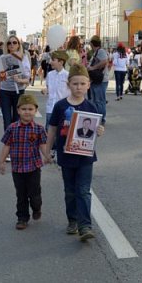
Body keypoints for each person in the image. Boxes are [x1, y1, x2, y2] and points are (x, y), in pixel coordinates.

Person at [46, 64, 105, 241]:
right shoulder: (60, 106)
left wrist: (100, 131)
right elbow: (52, 130)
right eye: (75, 84)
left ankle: (85, 225)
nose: (78, 87)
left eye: (82, 84)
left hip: (86, 156)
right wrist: (47, 151)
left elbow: (96, 129)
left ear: (88, 85)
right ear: (68, 85)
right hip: (66, 155)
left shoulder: (92, 107)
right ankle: (72, 220)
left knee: (84, 190)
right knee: (70, 190)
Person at [0, 94, 50, 230]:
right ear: (18, 110)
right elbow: (7, 146)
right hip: (17, 168)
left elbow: (43, 145)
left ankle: (37, 208)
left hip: (33, 167)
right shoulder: (12, 128)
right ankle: (22, 218)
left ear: (35, 110)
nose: (27, 112)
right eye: (24, 109)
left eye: (30, 109)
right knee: (21, 195)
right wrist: (2, 162)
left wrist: (47, 156)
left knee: (34, 194)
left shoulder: (39, 129)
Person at [0, 35, 31, 139]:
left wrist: (19, 80)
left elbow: (27, 79)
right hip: (5, 92)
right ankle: (8, 145)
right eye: (9, 43)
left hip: (18, 92)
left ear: (18, 45)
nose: (12, 45)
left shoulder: (24, 58)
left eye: (14, 42)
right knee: (6, 121)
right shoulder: (2, 58)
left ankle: (15, 145)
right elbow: (0, 78)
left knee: (17, 120)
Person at [41, 50, 70, 130]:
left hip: (63, 110)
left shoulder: (68, 76)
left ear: (61, 62)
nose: (50, 62)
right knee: (49, 130)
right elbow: (48, 88)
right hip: (50, 108)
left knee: (61, 132)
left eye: (53, 60)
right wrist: (45, 90)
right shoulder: (50, 75)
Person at [87, 35, 108, 125]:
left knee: (99, 100)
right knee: (95, 100)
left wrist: (92, 68)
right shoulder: (96, 52)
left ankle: (101, 118)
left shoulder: (101, 51)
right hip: (96, 80)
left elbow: (104, 61)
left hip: (101, 80)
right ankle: (97, 117)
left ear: (92, 44)